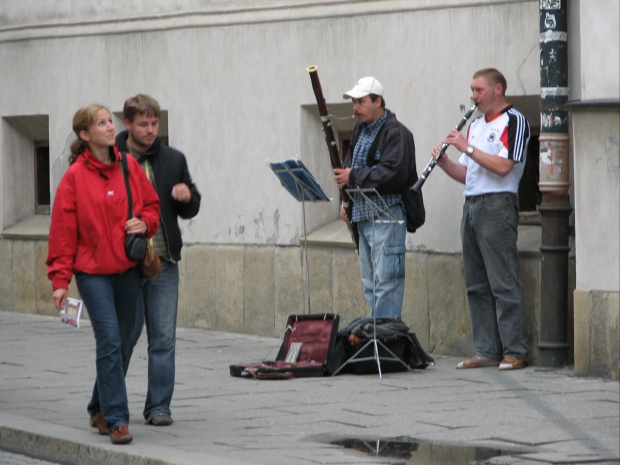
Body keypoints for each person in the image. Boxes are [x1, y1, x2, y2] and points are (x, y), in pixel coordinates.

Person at [47, 104, 160, 444]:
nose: (110, 127)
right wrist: (59, 283)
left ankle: (98, 405)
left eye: (110, 121)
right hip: (92, 273)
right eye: (101, 123)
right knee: (109, 339)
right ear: (85, 135)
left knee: (126, 339)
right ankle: (116, 419)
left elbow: (152, 206)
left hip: (128, 268)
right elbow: (63, 233)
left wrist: (145, 222)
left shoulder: (129, 165)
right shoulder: (74, 178)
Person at [434, 68, 531, 370]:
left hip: (497, 204)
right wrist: (445, 163)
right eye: (472, 90)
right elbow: (468, 173)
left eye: (478, 90)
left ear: (497, 89)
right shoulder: (475, 125)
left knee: (503, 281)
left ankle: (515, 350)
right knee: (476, 283)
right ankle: (487, 350)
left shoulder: (515, 120)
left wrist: (467, 147)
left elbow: (504, 167)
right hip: (472, 204)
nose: (473, 96)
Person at [115, 94, 201, 426]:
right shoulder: (114, 159)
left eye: (155, 124)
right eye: (143, 124)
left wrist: (187, 196)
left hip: (164, 260)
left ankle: (159, 407)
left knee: (163, 337)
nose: (150, 130)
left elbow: (191, 206)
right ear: (128, 124)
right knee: (124, 336)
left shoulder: (172, 159)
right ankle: (108, 403)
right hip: (125, 263)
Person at [334, 76, 416, 319]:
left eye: (360, 102)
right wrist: (346, 200)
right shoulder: (360, 130)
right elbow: (351, 166)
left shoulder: (396, 133)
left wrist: (353, 177)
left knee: (387, 281)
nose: (355, 108)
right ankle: (375, 337)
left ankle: (386, 341)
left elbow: (393, 173)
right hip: (363, 215)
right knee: (370, 282)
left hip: (387, 214)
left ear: (378, 100)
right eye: (353, 102)